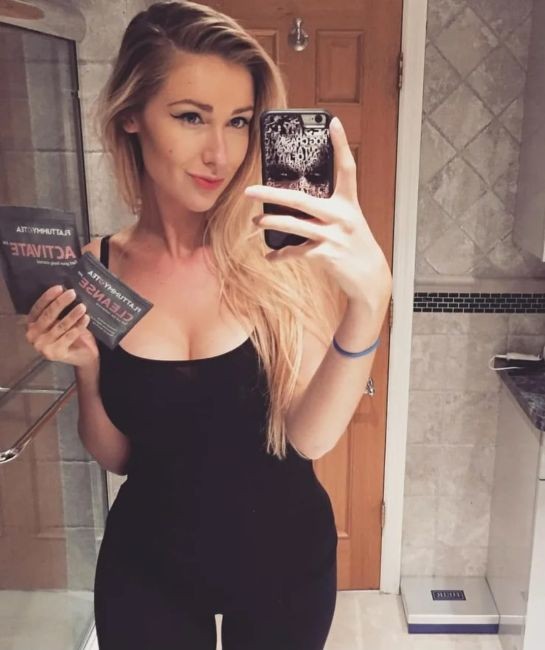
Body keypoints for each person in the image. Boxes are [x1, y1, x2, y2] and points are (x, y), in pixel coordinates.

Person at [24, 2, 392, 648]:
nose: (219, 153)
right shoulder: (97, 267)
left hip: (284, 566)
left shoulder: (281, 257)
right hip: (148, 569)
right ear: (132, 114)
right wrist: (86, 367)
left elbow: (309, 438)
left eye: (239, 121)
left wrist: (369, 304)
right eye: (191, 116)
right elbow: (119, 456)